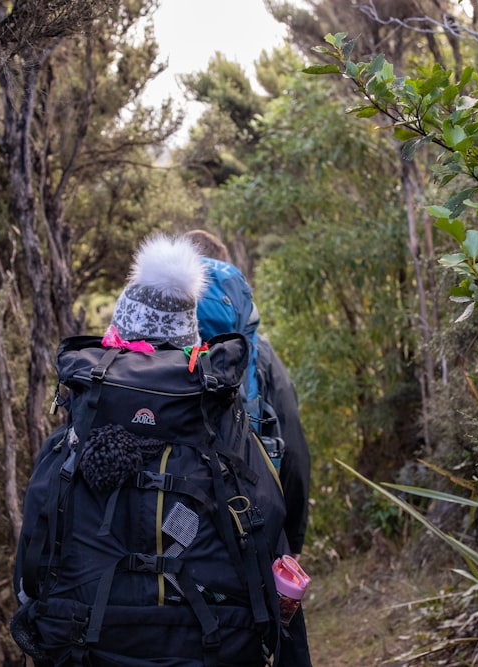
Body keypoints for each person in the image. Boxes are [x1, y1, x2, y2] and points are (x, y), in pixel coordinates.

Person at [11, 234, 288, 666]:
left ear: (116, 337)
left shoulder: (73, 436)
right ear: (193, 343)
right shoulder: (227, 431)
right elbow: (271, 538)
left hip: (90, 646)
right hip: (214, 647)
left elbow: (30, 573)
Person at [183, 229, 313, 667]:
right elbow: (292, 448)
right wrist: (289, 542)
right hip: (250, 520)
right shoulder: (257, 354)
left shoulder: (146, 355)